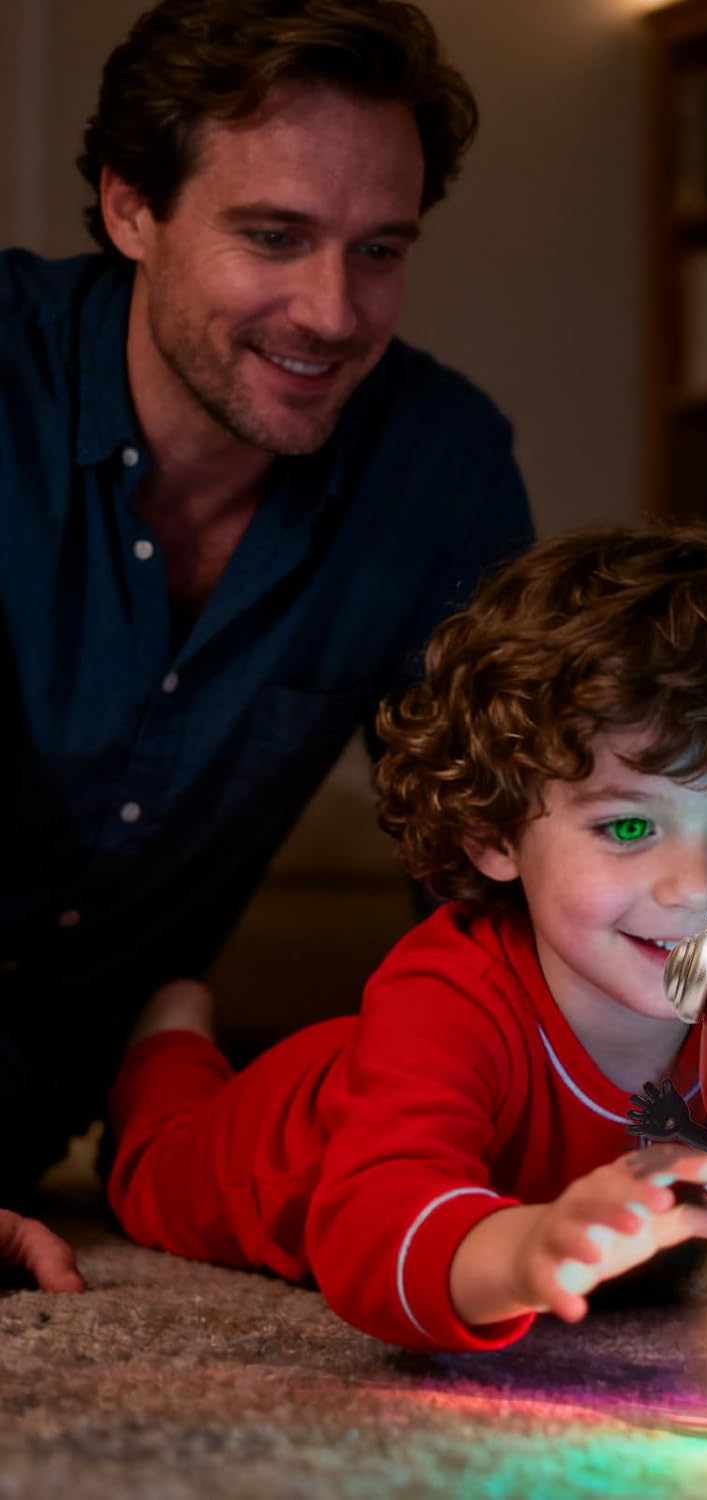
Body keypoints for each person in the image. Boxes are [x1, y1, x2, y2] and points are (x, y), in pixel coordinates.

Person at [0, 0, 534, 1291]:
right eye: (274, 237)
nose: (333, 313)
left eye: (378, 250)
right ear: (131, 207)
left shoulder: (437, 469)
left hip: (42, 1121)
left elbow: (495, 867)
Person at [101, 524, 707, 1348]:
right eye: (629, 827)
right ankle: (166, 1038)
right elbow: (373, 1233)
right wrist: (523, 1251)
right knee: (153, 1155)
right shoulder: (444, 1002)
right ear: (494, 834)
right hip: (263, 1143)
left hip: (377, 1068)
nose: (699, 887)